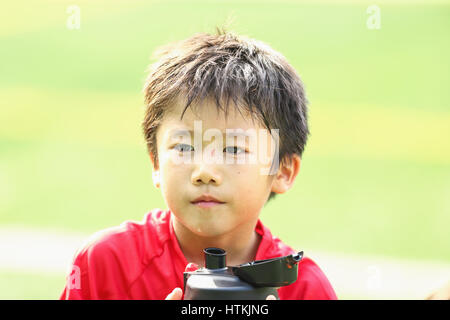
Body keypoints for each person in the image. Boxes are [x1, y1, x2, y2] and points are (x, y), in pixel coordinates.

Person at [60, 28, 337, 300]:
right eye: (184, 147)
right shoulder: (106, 264)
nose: (205, 172)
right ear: (155, 161)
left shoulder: (304, 289)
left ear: (282, 170)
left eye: (233, 149)